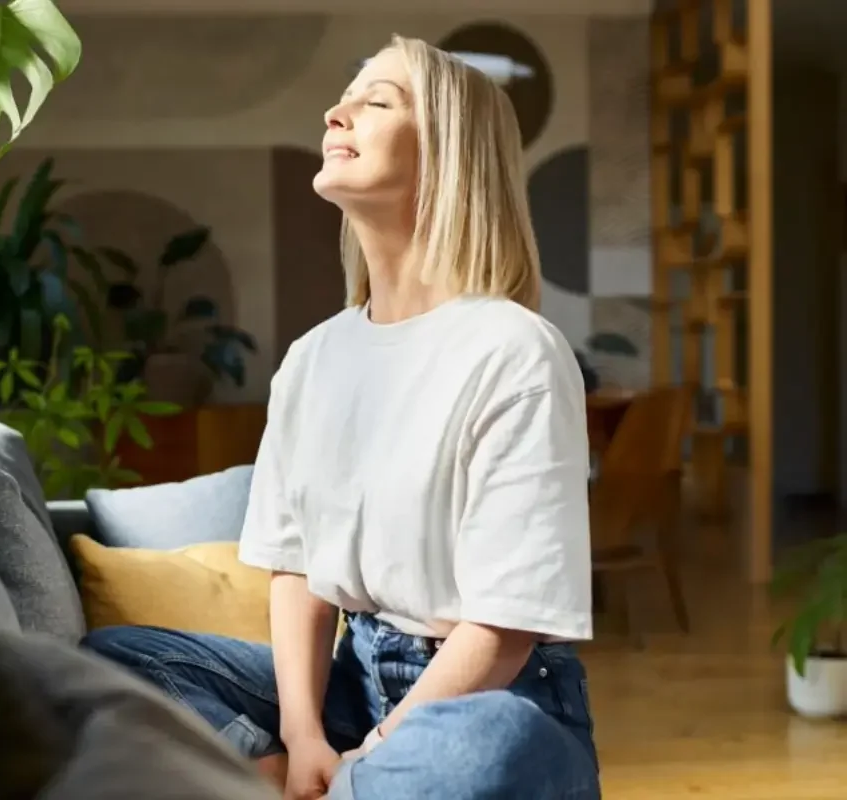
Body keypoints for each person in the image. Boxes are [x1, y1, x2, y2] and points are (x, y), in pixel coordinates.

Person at [82, 34, 598, 800]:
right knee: (113, 659)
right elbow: (296, 570)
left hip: (488, 692)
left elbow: (502, 631)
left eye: (375, 101)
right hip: (351, 682)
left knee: (490, 744)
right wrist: (302, 737)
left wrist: (370, 755)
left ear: (447, 154)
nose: (335, 113)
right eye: (345, 98)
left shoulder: (514, 351)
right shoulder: (314, 357)